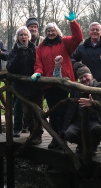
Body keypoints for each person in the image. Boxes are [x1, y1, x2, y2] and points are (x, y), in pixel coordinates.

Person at [31, 12, 83, 149]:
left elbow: (78, 38)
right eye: (48, 31)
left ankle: (63, 138)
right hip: (49, 84)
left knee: (64, 111)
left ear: (57, 31)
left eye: (52, 30)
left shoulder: (65, 42)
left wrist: (73, 22)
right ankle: (55, 138)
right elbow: (39, 63)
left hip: (63, 83)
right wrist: (38, 73)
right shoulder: (41, 47)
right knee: (53, 112)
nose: (50, 33)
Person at [59, 55, 101, 153]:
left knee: (98, 129)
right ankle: (83, 144)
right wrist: (57, 67)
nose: (84, 79)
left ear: (91, 76)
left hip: (96, 121)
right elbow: (60, 82)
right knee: (68, 134)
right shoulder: (75, 87)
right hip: (77, 122)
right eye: (81, 77)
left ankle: (92, 146)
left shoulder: (99, 86)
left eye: (86, 76)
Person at [6, 26, 43, 144]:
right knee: (27, 113)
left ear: (29, 37)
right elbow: (10, 68)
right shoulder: (13, 51)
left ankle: (38, 134)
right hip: (22, 88)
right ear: (17, 38)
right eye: (21, 35)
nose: (23, 37)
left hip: (36, 87)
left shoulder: (35, 49)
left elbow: (40, 65)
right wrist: (18, 55)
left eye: (25, 35)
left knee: (38, 112)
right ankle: (32, 133)